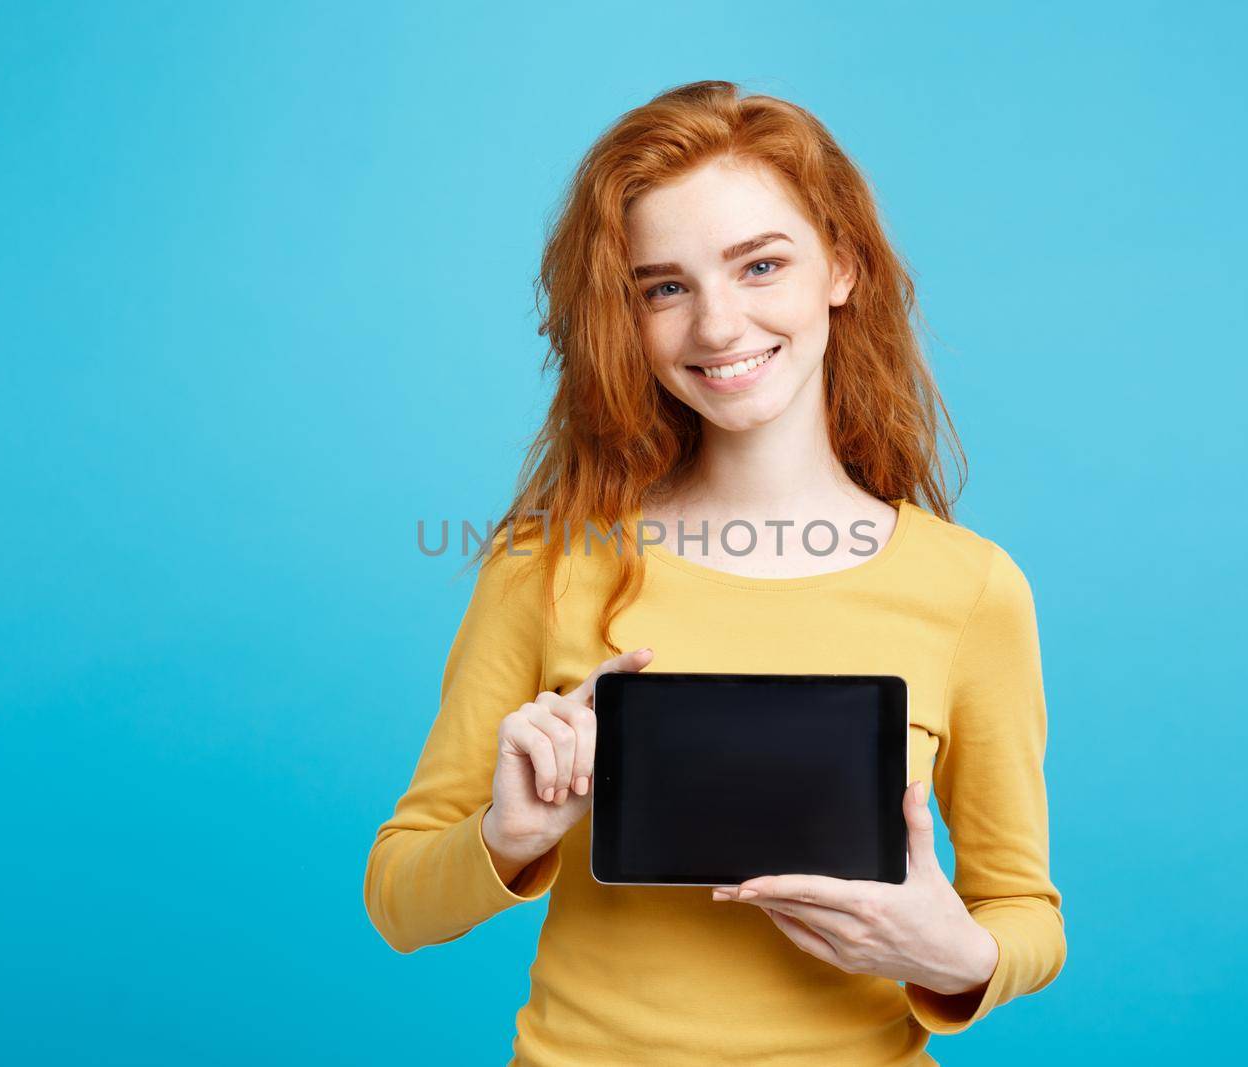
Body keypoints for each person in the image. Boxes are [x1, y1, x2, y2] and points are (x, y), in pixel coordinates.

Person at [364, 79, 1065, 1066]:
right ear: (629, 316)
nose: (718, 326)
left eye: (760, 265)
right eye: (665, 286)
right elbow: (399, 898)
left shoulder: (970, 588)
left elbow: (1023, 907)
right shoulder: (546, 567)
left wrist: (956, 953)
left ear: (842, 266)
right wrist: (510, 830)